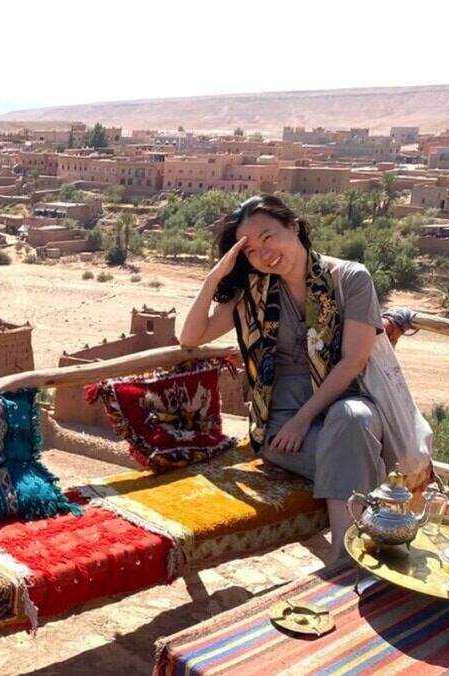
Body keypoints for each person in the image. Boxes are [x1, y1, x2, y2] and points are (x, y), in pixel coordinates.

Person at [179, 194, 388, 564]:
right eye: (250, 250)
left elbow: (353, 360)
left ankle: (341, 556)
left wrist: (302, 420)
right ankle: (356, 541)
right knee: (352, 455)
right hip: (279, 422)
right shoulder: (253, 291)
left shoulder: (350, 279)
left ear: (293, 226)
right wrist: (214, 278)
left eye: (268, 236)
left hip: (340, 402)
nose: (264, 253)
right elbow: (190, 337)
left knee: (352, 420)